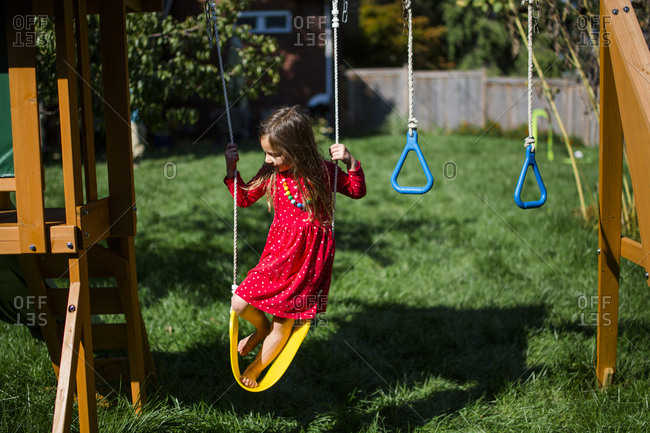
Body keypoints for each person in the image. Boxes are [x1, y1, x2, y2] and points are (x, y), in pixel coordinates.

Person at [224, 105, 366, 388]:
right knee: (239, 302)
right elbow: (243, 198)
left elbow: (356, 190)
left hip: (309, 262)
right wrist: (231, 170)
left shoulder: (324, 173)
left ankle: (253, 370)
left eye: (274, 154)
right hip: (277, 256)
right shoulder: (272, 174)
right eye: (266, 152)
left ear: (297, 149)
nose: (268, 159)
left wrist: (350, 161)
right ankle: (260, 327)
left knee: (284, 324)